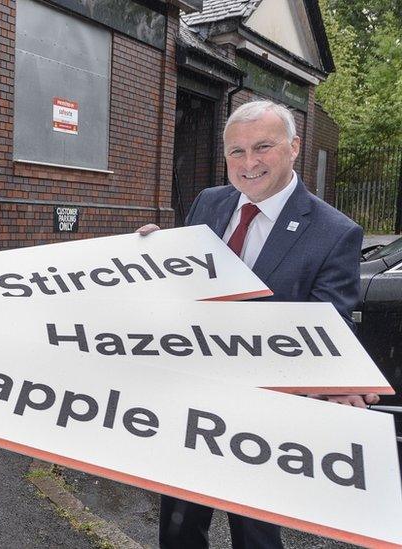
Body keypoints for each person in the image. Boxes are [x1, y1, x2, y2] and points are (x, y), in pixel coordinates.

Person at [141, 100, 376, 549]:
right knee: (178, 527)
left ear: (294, 147)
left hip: (262, 415)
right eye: (236, 152)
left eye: (263, 147)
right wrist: (149, 259)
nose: (249, 163)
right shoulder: (209, 203)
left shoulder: (333, 232)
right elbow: (182, 291)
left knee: (255, 534)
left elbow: (328, 330)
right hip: (191, 400)